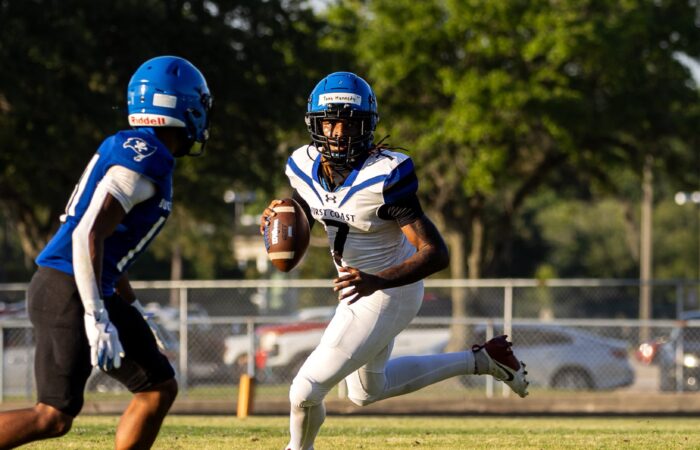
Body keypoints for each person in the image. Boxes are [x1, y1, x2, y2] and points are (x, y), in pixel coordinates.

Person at [260, 72, 529, 450]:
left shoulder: (384, 176)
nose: (339, 133)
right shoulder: (303, 165)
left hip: (389, 291)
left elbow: (436, 252)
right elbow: (308, 204)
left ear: (367, 126)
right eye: (331, 122)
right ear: (314, 124)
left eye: (350, 123)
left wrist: (377, 280)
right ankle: (485, 360)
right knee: (366, 392)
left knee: (305, 389)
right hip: (358, 289)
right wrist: (282, 216)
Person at [0, 55, 213, 449]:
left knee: (158, 387)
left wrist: (134, 309)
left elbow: (109, 248)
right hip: (68, 288)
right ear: (181, 105)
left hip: (88, 285)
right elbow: (87, 235)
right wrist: (95, 316)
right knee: (53, 415)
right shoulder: (146, 156)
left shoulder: (141, 149)